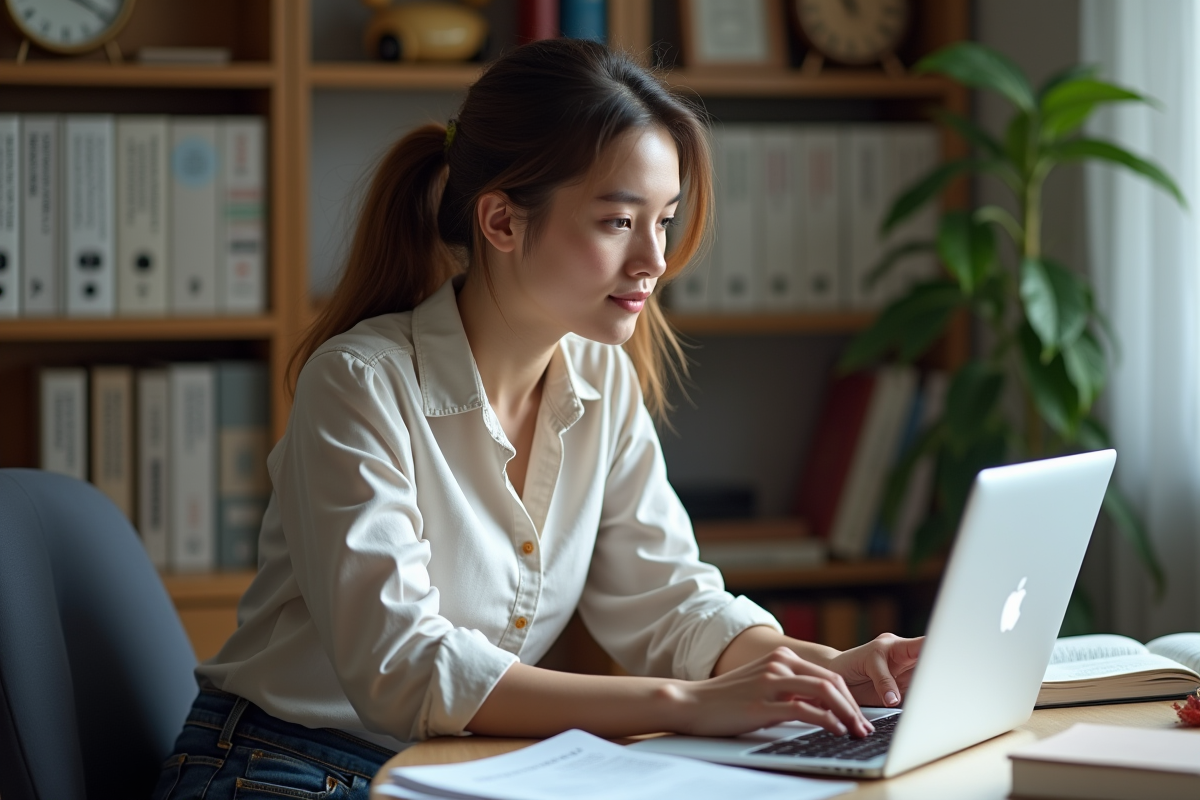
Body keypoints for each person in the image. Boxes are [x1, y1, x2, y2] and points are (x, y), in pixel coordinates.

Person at [152, 38, 921, 800]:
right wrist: (686, 706)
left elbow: (668, 597)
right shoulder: (359, 384)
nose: (654, 259)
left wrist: (821, 665)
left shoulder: (601, 378)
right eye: (619, 222)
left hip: (452, 769)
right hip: (281, 767)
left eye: (665, 220)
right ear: (501, 222)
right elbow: (404, 666)